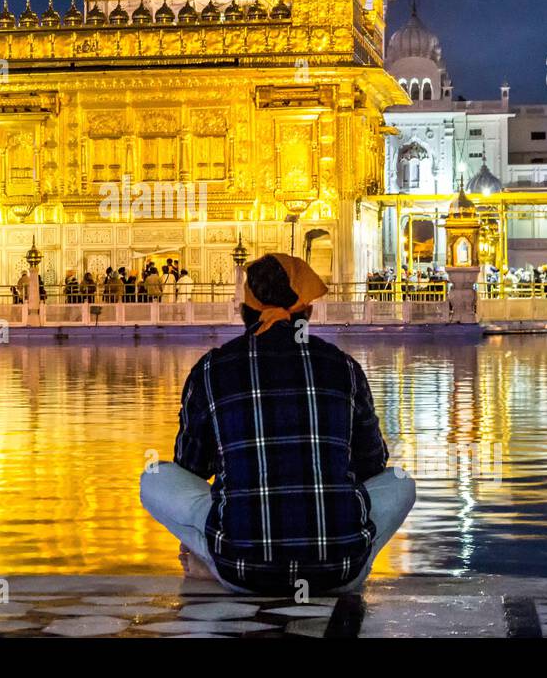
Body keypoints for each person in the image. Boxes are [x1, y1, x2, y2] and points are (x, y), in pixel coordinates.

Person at [140, 253, 416, 595]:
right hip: (340, 571)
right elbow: (372, 464)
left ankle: (208, 557)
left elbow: (190, 467)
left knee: (155, 478)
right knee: (401, 483)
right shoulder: (342, 366)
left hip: (242, 571)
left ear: (246, 308)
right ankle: (351, 555)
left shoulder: (212, 369)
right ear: (308, 311)